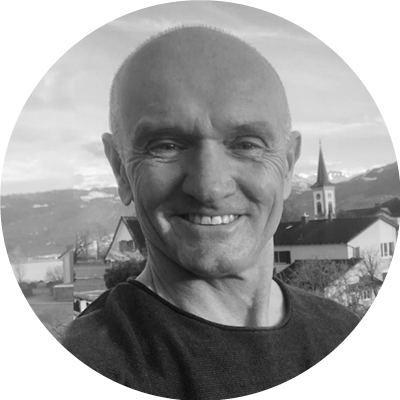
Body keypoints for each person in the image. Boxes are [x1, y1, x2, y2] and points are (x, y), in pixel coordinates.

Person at [64, 26, 360, 399]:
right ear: (121, 169)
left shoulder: (345, 335)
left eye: (246, 144)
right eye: (166, 145)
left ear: (287, 165)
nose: (210, 187)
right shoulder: (90, 369)